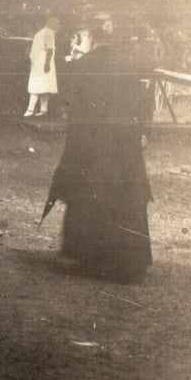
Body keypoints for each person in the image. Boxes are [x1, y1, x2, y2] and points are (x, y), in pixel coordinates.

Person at [41, 14, 153, 283]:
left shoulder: (83, 65)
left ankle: (90, 256)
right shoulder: (128, 67)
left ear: (90, 37)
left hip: (91, 142)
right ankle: (127, 259)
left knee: (90, 191)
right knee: (124, 194)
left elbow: (72, 107)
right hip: (123, 145)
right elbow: (140, 106)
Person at [25, 16, 60, 117]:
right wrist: (47, 64)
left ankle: (43, 110)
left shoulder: (42, 32)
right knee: (38, 85)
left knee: (43, 86)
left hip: (39, 62)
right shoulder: (49, 33)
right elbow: (50, 49)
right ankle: (30, 110)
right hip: (43, 62)